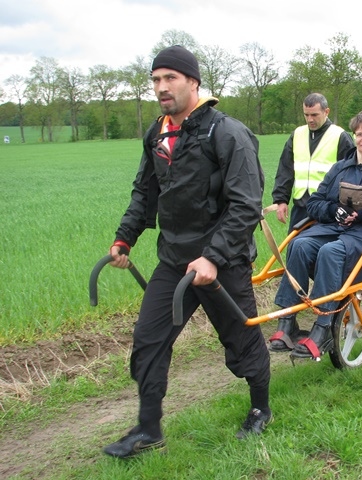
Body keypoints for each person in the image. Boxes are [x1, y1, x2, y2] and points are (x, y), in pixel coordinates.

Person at [102, 45, 271, 458]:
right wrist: (125, 238)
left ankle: (260, 408)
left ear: (193, 81)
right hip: (175, 260)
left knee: (240, 340)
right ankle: (148, 428)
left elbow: (246, 203)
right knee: (148, 340)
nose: (161, 87)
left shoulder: (226, 132)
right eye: (156, 79)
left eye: (170, 78)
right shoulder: (157, 133)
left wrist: (213, 257)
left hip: (222, 262)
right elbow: (145, 193)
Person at [269, 110, 362, 358]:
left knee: (330, 252)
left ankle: (322, 329)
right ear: (354, 136)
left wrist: (360, 215)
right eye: (360, 134)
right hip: (336, 227)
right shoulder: (341, 167)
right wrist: (335, 210)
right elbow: (315, 203)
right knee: (299, 245)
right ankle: (287, 322)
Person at [271, 93, 354, 232]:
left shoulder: (340, 136)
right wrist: (281, 200)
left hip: (327, 208)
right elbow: (285, 169)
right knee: (294, 249)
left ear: (326, 111)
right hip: (300, 207)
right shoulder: (297, 134)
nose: (310, 119)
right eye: (306, 115)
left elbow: (351, 175)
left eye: (314, 115)